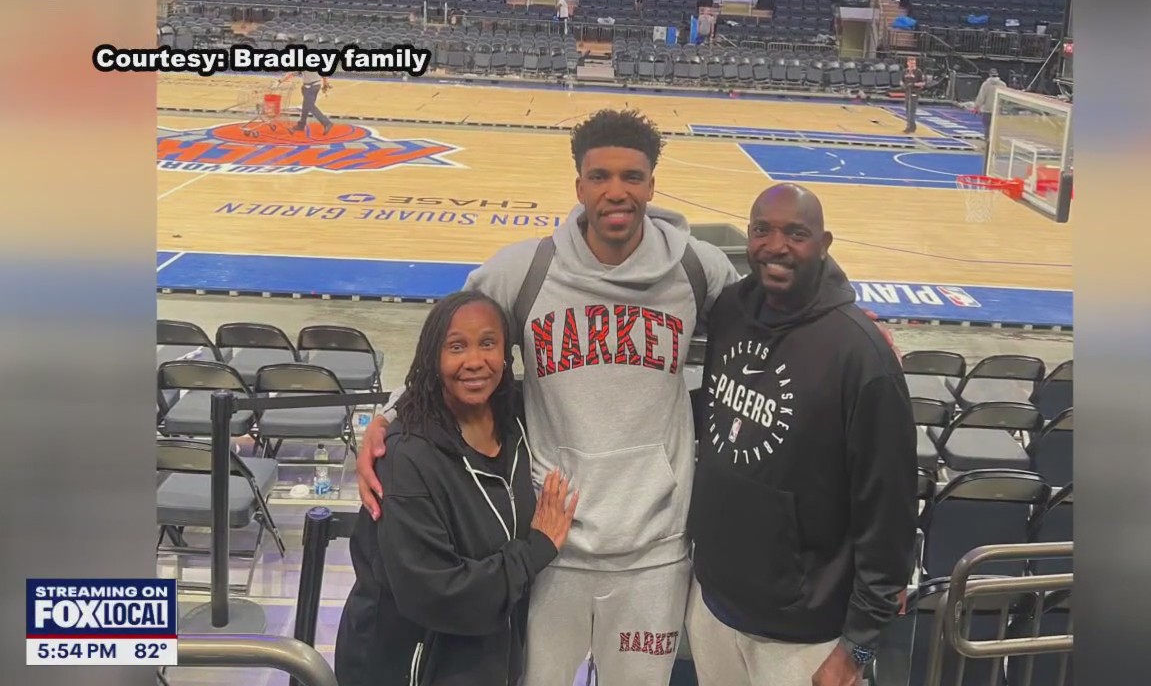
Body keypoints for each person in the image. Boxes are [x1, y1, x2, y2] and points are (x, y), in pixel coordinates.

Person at [357, 109, 744, 685]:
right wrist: (386, 418)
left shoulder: (694, 267)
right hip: (546, 545)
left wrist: (852, 317)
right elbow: (448, 343)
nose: (617, 191)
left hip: (655, 552)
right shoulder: (528, 269)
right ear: (579, 185)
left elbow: (773, 315)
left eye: (632, 177)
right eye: (600, 176)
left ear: (652, 185)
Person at [684, 183, 918, 686]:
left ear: (825, 243)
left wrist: (855, 648)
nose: (776, 246)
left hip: (805, 635)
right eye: (762, 230)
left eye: (797, 233)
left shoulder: (862, 356)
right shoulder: (730, 311)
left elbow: (889, 511)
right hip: (713, 604)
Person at [335, 290, 580, 686]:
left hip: (486, 655)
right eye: (456, 347)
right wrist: (536, 548)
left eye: (487, 343)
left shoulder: (516, 421)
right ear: (434, 357)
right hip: (409, 664)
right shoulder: (405, 459)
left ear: (506, 354)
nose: (474, 361)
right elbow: (436, 594)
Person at [279, 70, 333, 136]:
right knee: (306, 106)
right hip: (316, 86)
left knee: (310, 106)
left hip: (309, 87)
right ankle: (301, 125)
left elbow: (292, 73)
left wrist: (280, 81)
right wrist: (325, 83)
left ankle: (327, 123)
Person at [974, 68, 1004, 141]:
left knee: (987, 127)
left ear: (990, 75)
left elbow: (981, 97)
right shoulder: (1003, 85)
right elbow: (1004, 98)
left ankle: (987, 143)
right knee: (996, 128)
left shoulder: (985, 84)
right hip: (997, 110)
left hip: (987, 110)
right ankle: (994, 143)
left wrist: (977, 107)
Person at [901, 57, 926, 134]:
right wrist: (903, 85)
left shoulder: (918, 72)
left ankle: (911, 127)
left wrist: (914, 84)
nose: (912, 65)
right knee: (907, 109)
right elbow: (901, 81)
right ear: (907, 63)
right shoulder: (905, 71)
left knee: (912, 110)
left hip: (914, 92)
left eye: (914, 63)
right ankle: (910, 125)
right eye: (911, 63)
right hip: (907, 92)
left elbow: (923, 83)